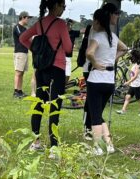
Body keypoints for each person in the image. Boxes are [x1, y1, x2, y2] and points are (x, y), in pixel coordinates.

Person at [19, 0, 72, 149]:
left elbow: (22, 38)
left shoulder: (40, 23)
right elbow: (68, 48)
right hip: (57, 68)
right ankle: (54, 146)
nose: (64, 9)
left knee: (39, 104)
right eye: (63, 6)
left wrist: (36, 50)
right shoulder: (60, 24)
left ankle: (35, 141)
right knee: (55, 107)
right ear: (55, 5)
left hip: (41, 69)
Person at [85, 3, 128, 154]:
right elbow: (125, 48)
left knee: (95, 116)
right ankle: (109, 144)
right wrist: (112, 60)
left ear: (99, 22)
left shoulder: (97, 37)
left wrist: (95, 63)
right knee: (99, 115)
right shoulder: (113, 37)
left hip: (96, 80)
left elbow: (89, 53)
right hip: (109, 81)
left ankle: (97, 147)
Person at [13, 11, 32, 99]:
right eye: (27, 18)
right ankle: (15, 92)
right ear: (23, 17)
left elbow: (30, 38)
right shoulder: (17, 27)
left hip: (25, 52)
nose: (28, 20)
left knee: (22, 72)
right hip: (19, 52)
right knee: (18, 72)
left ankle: (20, 91)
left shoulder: (25, 28)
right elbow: (22, 37)